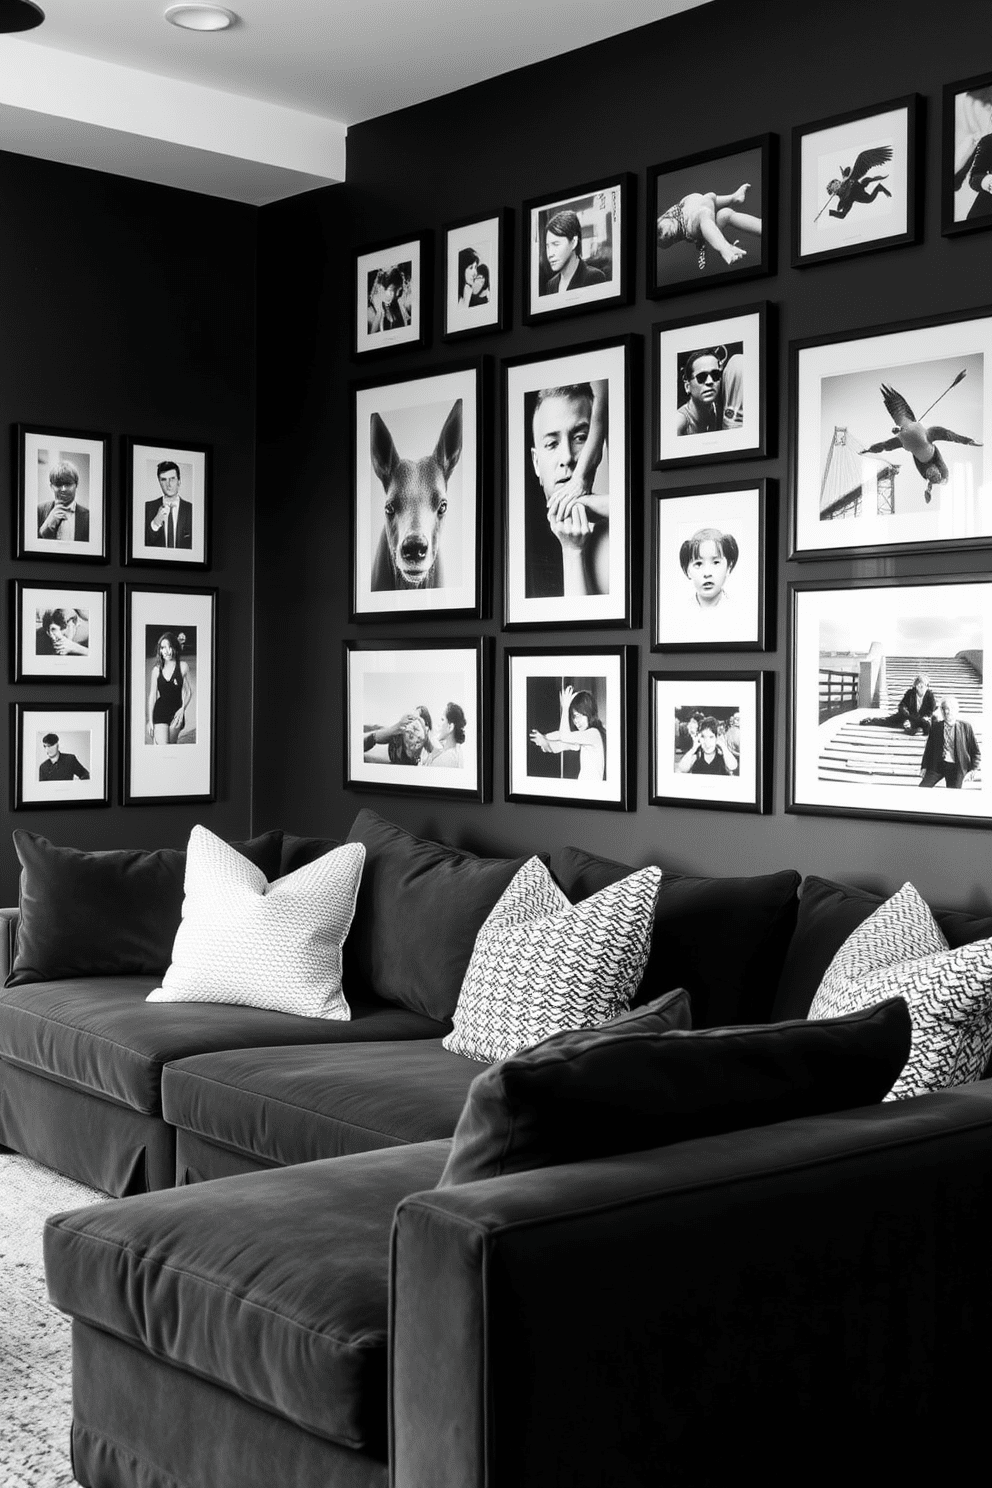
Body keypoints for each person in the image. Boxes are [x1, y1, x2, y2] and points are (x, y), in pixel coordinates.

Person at [529, 381, 610, 598]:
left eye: (580, 438)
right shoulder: (517, 554)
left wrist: (573, 551)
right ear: (536, 463)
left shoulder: (614, 539)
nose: (566, 457)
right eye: (552, 444)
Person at [656, 183, 761, 272]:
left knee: (724, 213)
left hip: (702, 219)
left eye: (664, 231)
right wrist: (723, 247)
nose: (670, 232)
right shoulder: (671, 232)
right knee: (706, 207)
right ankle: (725, 249)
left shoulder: (661, 221)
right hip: (695, 228)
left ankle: (736, 199)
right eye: (669, 235)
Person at [530, 685, 606, 782]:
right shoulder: (583, 738)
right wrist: (543, 739)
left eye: (578, 716)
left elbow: (565, 736)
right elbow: (557, 744)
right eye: (574, 717)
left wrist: (565, 707)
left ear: (589, 713)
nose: (576, 721)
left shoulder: (594, 734)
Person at [919, 696, 981, 789]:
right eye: (943, 709)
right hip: (938, 765)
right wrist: (924, 767)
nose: (945, 712)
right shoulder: (936, 727)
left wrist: (974, 769)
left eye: (948, 709)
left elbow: (975, 752)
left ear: (956, 710)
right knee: (922, 788)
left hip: (957, 766)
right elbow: (929, 749)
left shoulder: (966, 727)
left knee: (953, 793)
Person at [541, 209, 607, 294]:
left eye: (556, 244)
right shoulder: (551, 285)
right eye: (547, 246)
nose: (550, 254)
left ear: (574, 242)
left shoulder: (594, 277)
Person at [679, 526, 739, 616]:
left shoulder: (737, 610)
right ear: (687, 570)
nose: (707, 573)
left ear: (729, 567)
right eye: (698, 564)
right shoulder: (681, 612)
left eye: (716, 562)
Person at [146, 631, 193, 745]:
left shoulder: (183, 667)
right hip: (160, 712)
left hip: (176, 713)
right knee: (163, 747)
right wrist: (150, 721)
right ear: (160, 650)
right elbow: (152, 696)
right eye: (163, 648)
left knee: (171, 747)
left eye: (170, 647)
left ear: (175, 648)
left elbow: (189, 692)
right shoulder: (156, 670)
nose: (166, 651)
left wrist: (183, 709)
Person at [860, 673, 936, 734]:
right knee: (888, 721)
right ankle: (871, 720)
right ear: (915, 686)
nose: (920, 688)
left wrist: (926, 717)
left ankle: (914, 727)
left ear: (927, 687)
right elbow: (902, 705)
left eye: (922, 686)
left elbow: (931, 709)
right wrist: (907, 715)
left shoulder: (930, 696)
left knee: (927, 727)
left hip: (921, 719)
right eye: (918, 685)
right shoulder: (910, 693)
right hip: (909, 716)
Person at [676, 348, 727, 436]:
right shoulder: (679, 421)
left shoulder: (720, 410)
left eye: (715, 375)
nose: (710, 381)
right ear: (687, 387)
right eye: (701, 377)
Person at [145, 461, 193, 549]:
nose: (169, 485)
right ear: (159, 482)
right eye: (164, 480)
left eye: (172, 479)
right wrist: (155, 523)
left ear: (179, 481)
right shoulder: (147, 508)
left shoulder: (191, 509)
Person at [38, 459, 88, 542]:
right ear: (51, 486)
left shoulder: (88, 517)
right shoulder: (39, 510)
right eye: (58, 484)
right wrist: (44, 530)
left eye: (68, 484)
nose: (63, 489)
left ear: (76, 484)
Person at [364, 706, 433, 765]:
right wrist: (394, 728)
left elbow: (435, 750)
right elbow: (361, 746)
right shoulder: (396, 734)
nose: (415, 724)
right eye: (411, 719)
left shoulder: (425, 741)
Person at [367, 265, 410, 334]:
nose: (387, 295)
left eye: (391, 290)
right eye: (383, 290)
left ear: (397, 290)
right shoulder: (371, 312)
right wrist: (379, 314)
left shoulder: (401, 305)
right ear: (378, 289)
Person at [424, 701, 466, 768]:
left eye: (442, 719)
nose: (438, 724)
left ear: (450, 727)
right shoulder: (456, 752)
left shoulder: (445, 759)